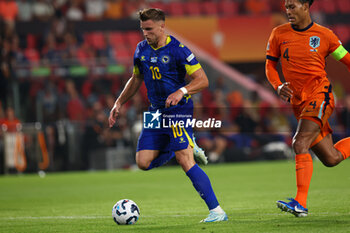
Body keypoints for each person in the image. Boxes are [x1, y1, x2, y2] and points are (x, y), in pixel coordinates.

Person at [108, 8, 227, 222]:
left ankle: (217, 211)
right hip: (155, 111)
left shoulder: (179, 50)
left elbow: (202, 80)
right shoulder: (140, 49)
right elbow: (136, 79)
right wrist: (119, 102)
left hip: (178, 109)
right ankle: (184, 145)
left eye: (150, 29)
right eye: (143, 29)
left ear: (162, 27)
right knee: (143, 162)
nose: (145, 33)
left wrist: (181, 91)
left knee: (185, 160)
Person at [265, 0, 350, 217]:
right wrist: (278, 85)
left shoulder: (325, 35)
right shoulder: (278, 33)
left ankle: (300, 203)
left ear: (306, 6)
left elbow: (347, 59)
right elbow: (270, 65)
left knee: (299, 142)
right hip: (298, 102)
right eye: (286, 6)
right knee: (331, 158)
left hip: (320, 96)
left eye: (292, 6)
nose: (288, 10)